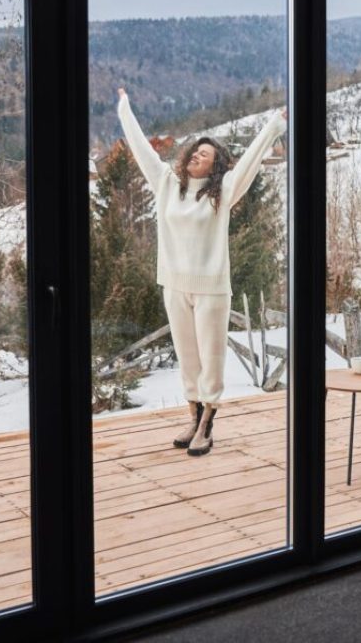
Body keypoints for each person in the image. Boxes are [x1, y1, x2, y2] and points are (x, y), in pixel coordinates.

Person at [115, 87, 287, 456]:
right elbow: (141, 149)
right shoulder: (166, 185)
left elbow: (250, 164)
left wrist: (275, 125)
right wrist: (124, 108)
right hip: (174, 286)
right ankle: (192, 415)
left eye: (204, 154)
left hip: (211, 289)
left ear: (215, 164)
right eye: (194, 151)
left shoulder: (222, 191)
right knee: (187, 355)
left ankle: (208, 422)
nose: (195, 156)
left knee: (211, 357)